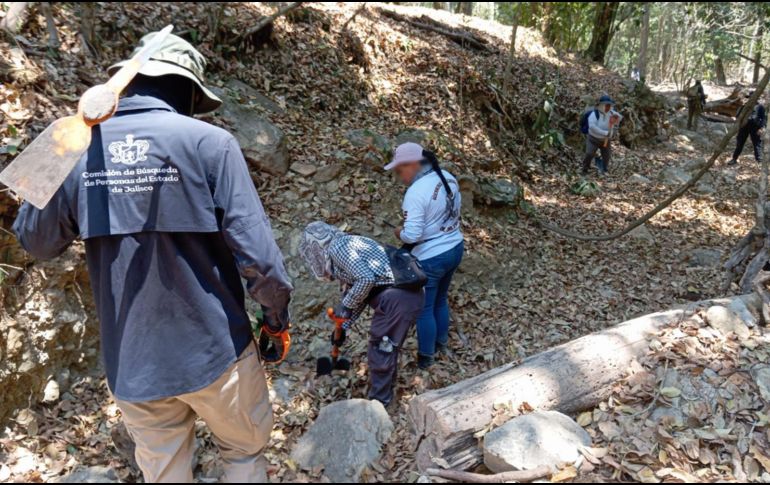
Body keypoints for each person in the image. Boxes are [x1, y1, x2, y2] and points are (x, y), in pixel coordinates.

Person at [12, 32, 294, 483]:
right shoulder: (209, 144)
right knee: (243, 455)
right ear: (188, 90)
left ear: (127, 82)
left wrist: (55, 153)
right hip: (216, 351)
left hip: (134, 362)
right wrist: (275, 319)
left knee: (164, 473)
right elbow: (261, 259)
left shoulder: (78, 149)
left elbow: (37, 242)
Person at [298, 221, 424, 406]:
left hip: (398, 300)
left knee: (381, 348)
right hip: (402, 297)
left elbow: (365, 279)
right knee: (386, 347)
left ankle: (378, 403)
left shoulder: (338, 249)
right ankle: (385, 391)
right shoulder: (347, 247)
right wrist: (344, 327)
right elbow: (360, 293)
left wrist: (346, 306)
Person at [386, 142, 463, 369]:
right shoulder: (448, 177)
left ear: (412, 164)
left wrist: (399, 231)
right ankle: (441, 343)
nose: (400, 177)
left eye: (400, 170)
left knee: (424, 309)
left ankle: (426, 358)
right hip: (454, 247)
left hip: (431, 256)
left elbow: (412, 235)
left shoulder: (416, 192)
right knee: (441, 299)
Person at [581, 95, 623, 176]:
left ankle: (604, 169)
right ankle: (585, 169)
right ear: (601, 105)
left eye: (609, 105)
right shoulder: (594, 114)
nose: (607, 107)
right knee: (589, 154)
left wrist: (616, 118)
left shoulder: (611, 113)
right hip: (593, 139)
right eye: (606, 105)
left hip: (606, 140)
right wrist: (605, 133)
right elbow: (592, 127)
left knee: (607, 156)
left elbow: (620, 118)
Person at [728, 93, 766, 166]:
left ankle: (760, 161)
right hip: (744, 127)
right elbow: (738, 116)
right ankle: (734, 159)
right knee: (740, 143)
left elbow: (763, 118)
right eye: (751, 97)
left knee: (757, 144)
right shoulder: (744, 106)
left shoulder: (760, 107)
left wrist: (762, 127)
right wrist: (739, 125)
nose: (752, 99)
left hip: (755, 127)